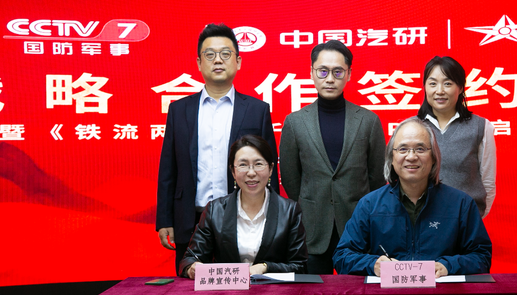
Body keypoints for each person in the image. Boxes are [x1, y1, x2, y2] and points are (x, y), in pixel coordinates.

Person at [156, 23, 279, 274]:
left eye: (225, 53)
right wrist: (165, 219)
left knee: (242, 288)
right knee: (190, 287)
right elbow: (169, 168)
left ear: (238, 61)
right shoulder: (179, 110)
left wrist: (274, 219)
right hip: (190, 219)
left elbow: (269, 169)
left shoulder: (257, 110)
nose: (218, 60)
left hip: (244, 218)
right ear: (199, 63)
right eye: (210, 54)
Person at [333, 117, 492, 277]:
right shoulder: (370, 204)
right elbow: (342, 257)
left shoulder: (461, 204)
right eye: (403, 149)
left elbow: (482, 257)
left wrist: (448, 266)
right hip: (388, 291)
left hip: (441, 291)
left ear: (434, 157)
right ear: (391, 158)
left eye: (420, 149)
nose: (411, 157)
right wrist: (373, 265)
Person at [279, 40, 386, 274]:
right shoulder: (295, 122)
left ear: (349, 74)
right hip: (313, 227)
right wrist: (309, 205)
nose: (330, 79)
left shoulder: (368, 121)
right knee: (313, 293)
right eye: (323, 71)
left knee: (359, 293)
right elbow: (290, 177)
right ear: (311, 73)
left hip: (358, 225)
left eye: (338, 72)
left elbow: (377, 178)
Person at [180, 135, 307, 278]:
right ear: (233, 172)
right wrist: (192, 267)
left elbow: (300, 266)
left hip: (272, 290)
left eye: (258, 164)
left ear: (271, 169)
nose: (251, 173)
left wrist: (265, 267)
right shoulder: (215, 210)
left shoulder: (289, 211)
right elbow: (189, 259)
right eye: (243, 165)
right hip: (227, 290)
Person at [417, 56, 496, 218]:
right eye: (432, 83)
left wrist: (476, 217)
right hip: (420, 219)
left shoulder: (481, 127)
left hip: (464, 219)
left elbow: (487, 181)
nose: (440, 91)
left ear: (460, 87)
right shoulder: (410, 127)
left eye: (447, 83)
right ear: (425, 87)